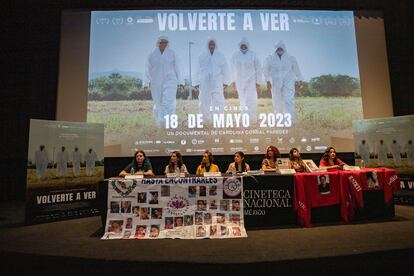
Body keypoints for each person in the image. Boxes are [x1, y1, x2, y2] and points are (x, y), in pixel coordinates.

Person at [144, 36, 183, 126]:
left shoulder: (172, 53)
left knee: (168, 101)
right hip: (155, 81)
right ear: (158, 43)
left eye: (165, 42)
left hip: (170, 80)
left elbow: (178, 67)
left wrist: (181, 82)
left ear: (168, 44)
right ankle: (160, 123)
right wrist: (145, 83)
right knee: (158, 102)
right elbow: (147, 69)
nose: (163, 44)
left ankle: (169, 123)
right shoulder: (152, 54)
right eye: (161, 42)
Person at [264, 41, 303, 120]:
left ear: (284, 49)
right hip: (275, 82)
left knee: (288, 100)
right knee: (277, 101)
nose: (279, 50)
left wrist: (300, 80)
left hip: (288, 81)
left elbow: (297, 69)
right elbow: (265, 70)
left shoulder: (291, 57)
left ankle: (290, 120)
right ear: (275, 49)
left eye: (281, 48)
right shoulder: (269, 58)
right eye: (278, 48)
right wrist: (267, 81)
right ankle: (279, 120)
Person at [195, 38, 231, 122]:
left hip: (217, 82)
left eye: (213, 44)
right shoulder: (201, 55)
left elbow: (226, 68)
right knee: (203, 101)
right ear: (207, 45)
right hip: (204, 82)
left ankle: (218, 120)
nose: (211, 46)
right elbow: (197, 69)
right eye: (210, 44)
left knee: (218, 101)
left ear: (216, 45)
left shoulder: (221, 55)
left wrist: (226, 82)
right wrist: (196, 82)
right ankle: (204, 120)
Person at [230, 37, 262, 123]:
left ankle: (252, 119)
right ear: (239, 46)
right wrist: (233, 80)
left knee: (251, 99)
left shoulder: (253, 55)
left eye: (245, 45)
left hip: (251, 81)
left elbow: (258, 68)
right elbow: (232, 69)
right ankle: (244, 119)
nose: (243, 47)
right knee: (242, 100)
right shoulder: (235, 55)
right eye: (242, 46)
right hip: (239, 81)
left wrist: (258, 81)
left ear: (248, 45)